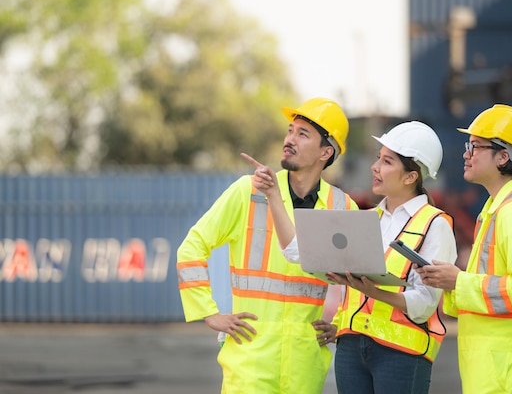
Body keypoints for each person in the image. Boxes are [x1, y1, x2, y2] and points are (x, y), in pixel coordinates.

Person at [252, 121, 458, 394]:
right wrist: (274, 196)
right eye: (378, 158)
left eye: (387, 162)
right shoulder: (367, 220)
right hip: (350, 349)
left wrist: (372, 291)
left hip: (401, 354)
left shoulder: (436, 225)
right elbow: (297, 253)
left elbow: (424, 305)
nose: (375, 167)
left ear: (411, 177)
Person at [176, 97, 359, 394]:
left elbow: (357, 275)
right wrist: (210, 313)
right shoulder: (248, 191)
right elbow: (191, 248)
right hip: (250, 362)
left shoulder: (341, 206)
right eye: (290, 130)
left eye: (302, 134)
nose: (289, 140)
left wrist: (341, 323)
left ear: (326, 151)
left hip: (304, 365)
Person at [417, 104, 512, 393]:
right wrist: (447, 280)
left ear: (504, 156)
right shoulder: (495, 209)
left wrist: (458, 280)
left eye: (475, 146)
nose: (466, 153)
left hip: (505, 373)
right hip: (495, 369)